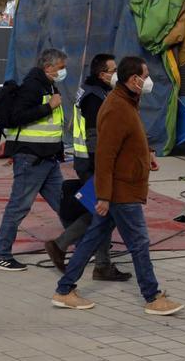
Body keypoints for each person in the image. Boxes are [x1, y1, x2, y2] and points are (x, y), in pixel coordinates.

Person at [52, 56, 184, 315]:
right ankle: (152, 296)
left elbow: (131, 139)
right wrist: (103, 195)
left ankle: (65, 290)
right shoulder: (115, 107)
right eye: (145, 76)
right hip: (121, 190)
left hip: (122, 187)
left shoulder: (128, 102)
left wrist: (147, 154)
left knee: (91, 239)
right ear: (133, 79)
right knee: (139, 242)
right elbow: (105, 154)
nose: (148, 82)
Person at [43, 54, 132, 281]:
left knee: (101, 211)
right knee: (101, 210)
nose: (117, 74)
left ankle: (101, 264)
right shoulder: (94, 97)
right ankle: (61, 245)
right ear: (102, 74)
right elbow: (96, 136)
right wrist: (104, 166)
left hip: (89, 161)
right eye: (113, 70)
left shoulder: (95, 91)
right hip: (93, 162)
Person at [0, 49, 68, 271]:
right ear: (48, 67)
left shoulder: (49, 85)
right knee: (18, 207)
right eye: (61, 67)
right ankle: (1, 255)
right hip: (31, 158)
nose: (64, 71)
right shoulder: (33, 86)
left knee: (65, 204)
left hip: (48, 158)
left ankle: (82, 245)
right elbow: (16, 117)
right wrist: (48, 107)